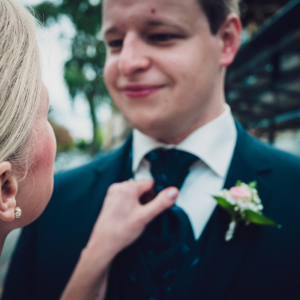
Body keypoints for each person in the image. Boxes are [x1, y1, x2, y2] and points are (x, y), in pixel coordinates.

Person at [4, 0, 300, 299]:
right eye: (115, 42)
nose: (128, 63)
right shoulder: (49, 203)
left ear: (226, 41)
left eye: (160, 36)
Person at [0, 1, 178, 299]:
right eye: (47, 112)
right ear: (5, 188)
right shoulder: (56, 208)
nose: (128, 62)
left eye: (161, 36)